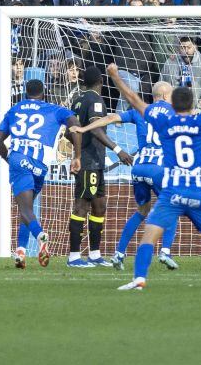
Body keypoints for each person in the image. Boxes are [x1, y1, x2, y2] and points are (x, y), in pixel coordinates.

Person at [110, 54, 201, 291]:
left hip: (172, 192)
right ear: (191, 104)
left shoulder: (163, 122)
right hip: (197, 192)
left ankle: (139, 280)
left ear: (172, 104)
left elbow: (133, 99)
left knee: (148, 237)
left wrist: (115, 75)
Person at [70, 81, 179, 271]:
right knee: (173, 207)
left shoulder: (140, 111)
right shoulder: (174, 112)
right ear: (163, 96)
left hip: (138, 169)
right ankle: (165, 252)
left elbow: (110, 118)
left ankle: (119, 254)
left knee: (142, 211)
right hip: (158, 168)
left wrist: (84, 128)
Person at [0, 79, 82, 269]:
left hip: (20, 160)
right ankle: (21, 252)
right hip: (40, 165)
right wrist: (77, 155)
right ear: (44, 93)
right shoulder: (54, 109)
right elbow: (75, 125)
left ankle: (40, 235)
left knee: (25, 210)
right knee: (28, 210)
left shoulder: (15, 109)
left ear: (26, 92)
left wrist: (9, 159)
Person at [67, 66, 133, 267]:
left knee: (99, 205)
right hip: (89, 160)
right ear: (101, 82)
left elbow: (70, 131)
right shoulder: (94, 100)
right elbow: (95, 129)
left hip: (94, 159)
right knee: (82, 205)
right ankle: (74, 256)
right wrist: (118, 149)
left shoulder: (77, 100)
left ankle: (94, 254)